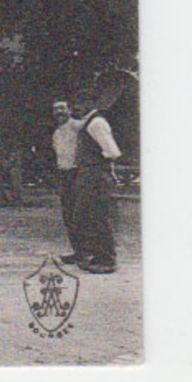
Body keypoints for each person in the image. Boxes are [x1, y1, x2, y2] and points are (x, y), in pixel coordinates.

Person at [73, 102, 124, 274]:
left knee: (99, 216)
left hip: (97, 176)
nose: (76, 109)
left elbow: (113, 152)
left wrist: (95, 161)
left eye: (79, 104)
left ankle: (108, 259)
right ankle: (98, 255)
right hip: (89, 175)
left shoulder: (96, 123)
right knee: (89, 215)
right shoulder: (87, 123)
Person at [50, 101, 85, 264]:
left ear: (70, 110)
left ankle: (89, 252)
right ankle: (78, 251)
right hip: (64, 174)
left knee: (81, 214)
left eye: (62, 108)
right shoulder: (57, 133)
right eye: (55, 109)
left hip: (78, 173)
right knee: (68, 215)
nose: (59, 112)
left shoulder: (79, 127)